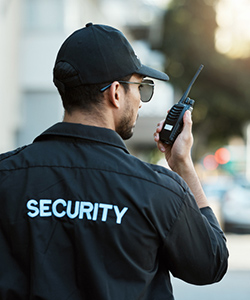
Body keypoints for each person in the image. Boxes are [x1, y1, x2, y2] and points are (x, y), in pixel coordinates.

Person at [0, 23, 228, 300]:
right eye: (141, 88)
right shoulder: (158, 191)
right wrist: (184, 167)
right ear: (116, 93)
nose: (141, 102)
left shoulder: (7, 176)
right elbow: (210, 263)